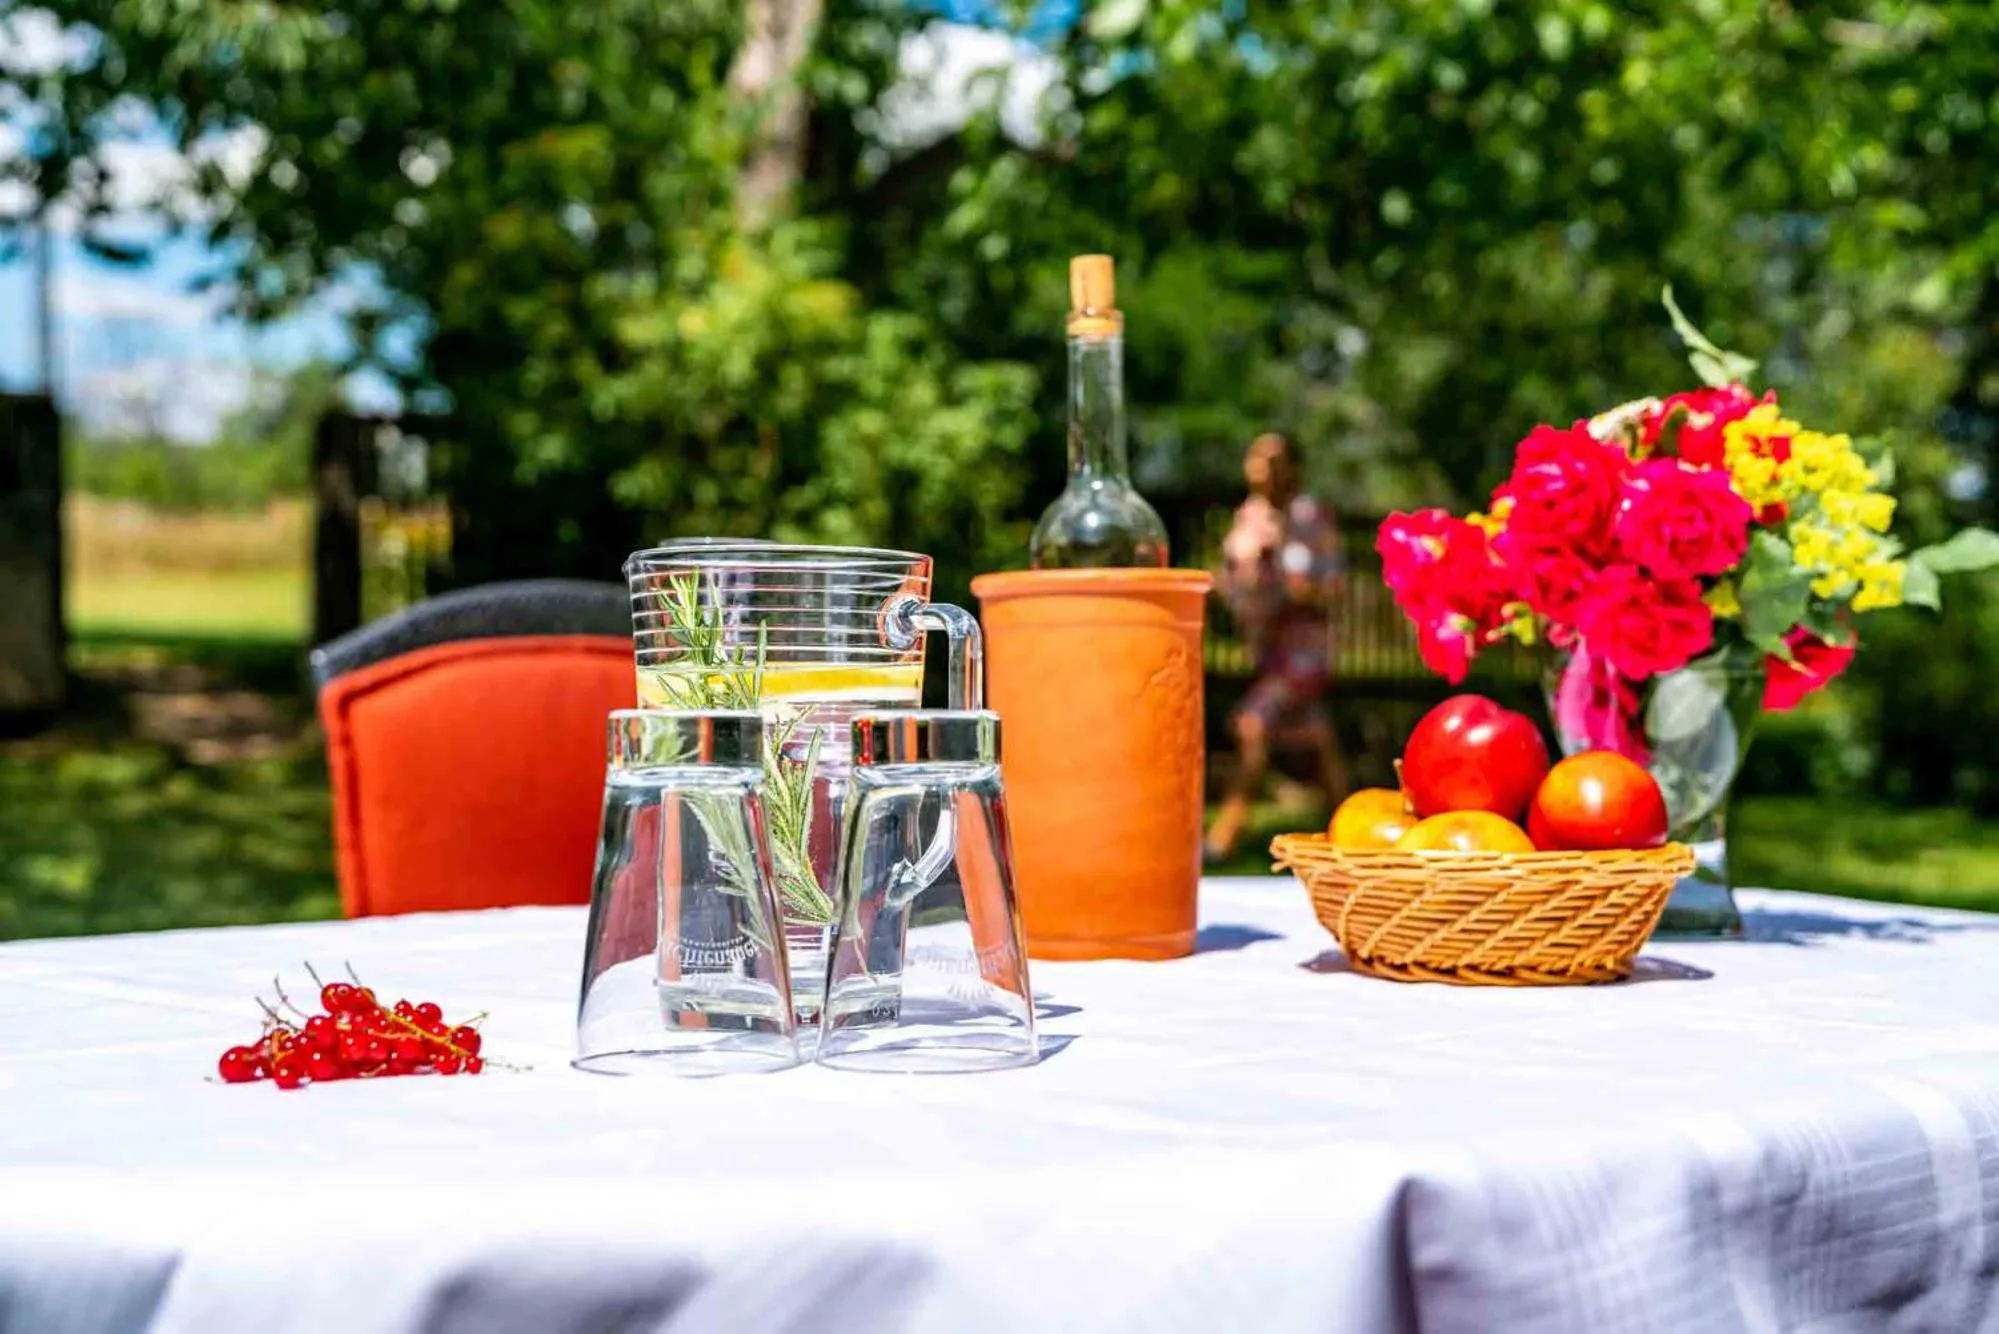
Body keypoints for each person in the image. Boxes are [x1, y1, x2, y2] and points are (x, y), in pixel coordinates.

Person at [1205, 431, 1351, 861]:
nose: (1262, 466)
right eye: (1256, 455)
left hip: (1304, 653)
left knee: (1252, 723)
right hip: (1268, 651)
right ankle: (1352, 832)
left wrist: (1299, 590)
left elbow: (1332, 584)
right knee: (1317, 737)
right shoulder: (1249, 518)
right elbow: (1237, 580)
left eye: (1273, 459)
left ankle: (1224, 834)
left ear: (1293, 468)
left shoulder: (1310, 517)